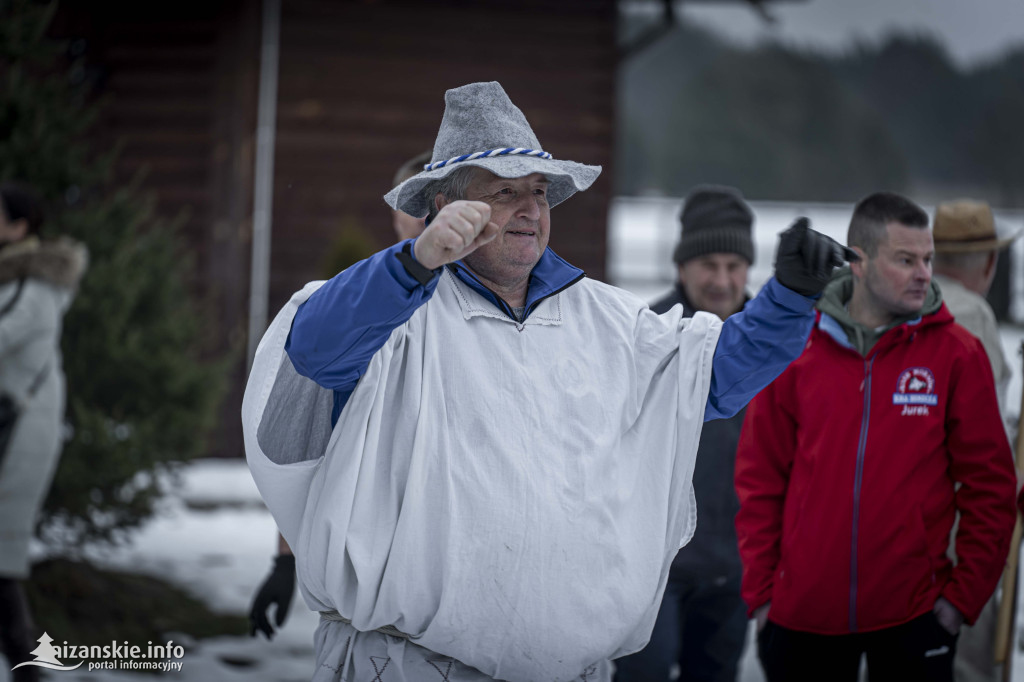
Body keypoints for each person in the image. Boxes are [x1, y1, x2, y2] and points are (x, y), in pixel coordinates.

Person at [242, 81, 853, 682]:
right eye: (506, 191)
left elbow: (712, 379)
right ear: (447, 206)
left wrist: (790, 297)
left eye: (539, 191)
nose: (533, 208)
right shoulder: (395, 310)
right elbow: (315, 352)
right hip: (406, 665)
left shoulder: (608, 320)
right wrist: (414, 263)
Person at [735, 192, 1017, 682]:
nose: (925, 274)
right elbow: (760, 478)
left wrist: (957, 604)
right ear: (859, 263)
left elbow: (991, 489)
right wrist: (763, 597)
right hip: (802, 620)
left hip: (914, 622)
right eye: (906, 260)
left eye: (927, 259)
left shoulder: (957, 354)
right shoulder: (797, 345)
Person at [248, 151, 433, 640]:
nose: (426, 219)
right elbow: (307, 439)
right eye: (411, 206)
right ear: (394, 213)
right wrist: (285, 560)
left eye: (433, 205)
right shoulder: (357, 306)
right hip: (369, 573)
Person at [614, 185, 755, 682]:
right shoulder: (647, 335)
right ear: (681, 266)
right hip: (654, 570)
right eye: (708, 265)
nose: (722, 280)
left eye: (734, 266)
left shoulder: (773, 348)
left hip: (734, 568)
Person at [931, 199, 1022, 682]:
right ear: (990, 262)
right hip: (959, 527)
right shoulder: (975, 317)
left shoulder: (900, 302)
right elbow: (982, 438)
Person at [0, 182, 87, 682]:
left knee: (2, 566)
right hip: (11, 430)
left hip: (16, 440)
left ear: (20, 226)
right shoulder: (16, 281)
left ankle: (30, 669)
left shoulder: (34, 288)